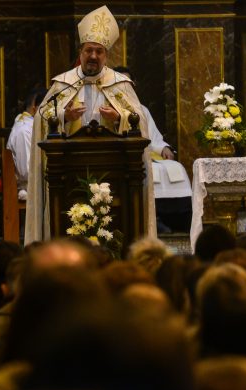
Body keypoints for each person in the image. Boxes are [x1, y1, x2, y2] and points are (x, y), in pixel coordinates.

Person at [26, 5, 155, 244]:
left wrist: (120, 119)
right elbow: (41, 118)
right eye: (89, 51)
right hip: (68, 171)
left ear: (106, 55)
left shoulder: (121, 85)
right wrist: (64, 116)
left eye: (99, 51)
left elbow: (141, 121)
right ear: (80, 53)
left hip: (113, 171)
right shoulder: (62, 84)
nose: (93, 56)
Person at [113, 66, 193, 233]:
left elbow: (154, 138)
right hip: (122, 158)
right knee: (148, 171)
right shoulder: (107, 108)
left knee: (174, 167)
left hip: (147, 154)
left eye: (128, 83)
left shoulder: (141, 110)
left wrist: (164, 147)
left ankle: (176, 221)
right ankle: (153, 221)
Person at [7, 88, 46, 201]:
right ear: (35, 107)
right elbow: (26, 172)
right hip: (28, 188)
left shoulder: (33, 126)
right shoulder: (24, 131)